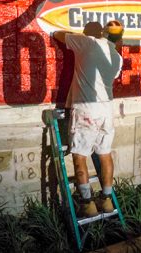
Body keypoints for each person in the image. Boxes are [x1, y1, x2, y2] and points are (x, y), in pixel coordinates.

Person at [52, 19, 124, 218]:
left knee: (79, 156)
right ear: (120, 37)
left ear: (103, 32)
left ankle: (87, 203)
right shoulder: (118, 58)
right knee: (105, 154)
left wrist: (78, 35)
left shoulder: (88, 42)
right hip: (107, 110)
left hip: (86, 109)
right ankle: (107, 200)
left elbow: (58, 34)